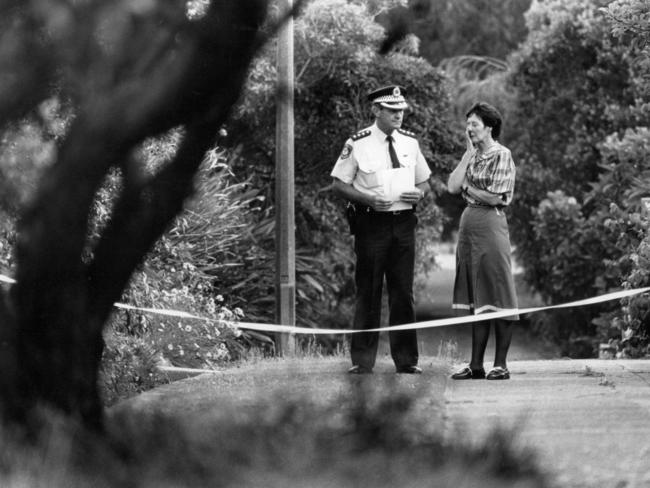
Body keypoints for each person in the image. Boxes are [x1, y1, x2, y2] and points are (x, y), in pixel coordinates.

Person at [330, 85, 431, 374]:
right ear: (377, 110)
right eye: (392, 110)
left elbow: (423, 181)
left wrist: (420, 194)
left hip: (403, 223)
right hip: (371, 223)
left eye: (401, 110)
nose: (398, 115)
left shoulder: (410, 142)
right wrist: (369, 199)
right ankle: (362, 362)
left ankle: (407, 361)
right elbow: (339, 184)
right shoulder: (358, 142)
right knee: (369, 290)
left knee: (403, 292)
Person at [447, 101, 518, 381]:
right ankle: (476, 364)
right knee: (477, 295)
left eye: (474, 124)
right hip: (469, 228)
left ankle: (501, 364)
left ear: (489, 127)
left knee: (498, 290)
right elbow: (452, 186)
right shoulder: (473, 156)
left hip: (491, 225)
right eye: (467, 124)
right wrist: (467, 155)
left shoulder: (502, 154)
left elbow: (497, 197)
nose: (469, 129)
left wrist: (469, 188)